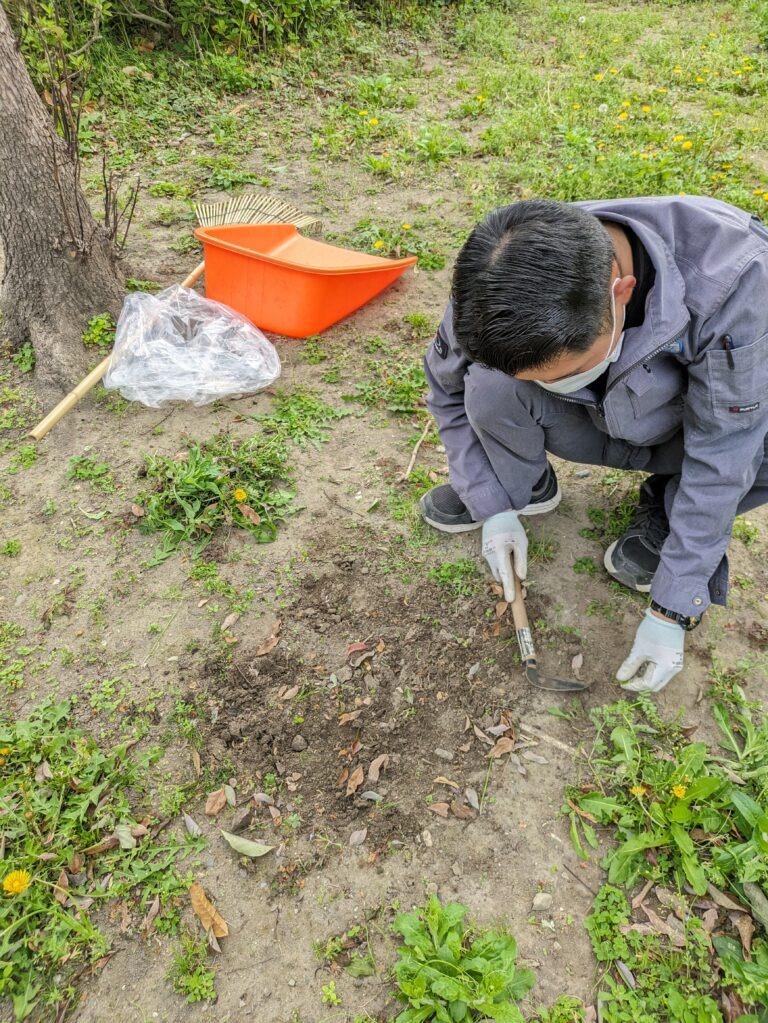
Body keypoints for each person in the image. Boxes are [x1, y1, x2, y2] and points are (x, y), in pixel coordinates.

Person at [421, 197, 768, 693]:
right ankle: (522, 482)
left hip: (687, 429)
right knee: (489, 386)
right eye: (543, 379)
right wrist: (492, 501)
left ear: (621, 292)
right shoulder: (492, 283)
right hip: (591, 419)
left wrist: (673, 608)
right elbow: (447, 390)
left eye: (569, 371)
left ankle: (668, 509)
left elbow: (727, 451)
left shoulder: (735, 282)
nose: (558, 382)